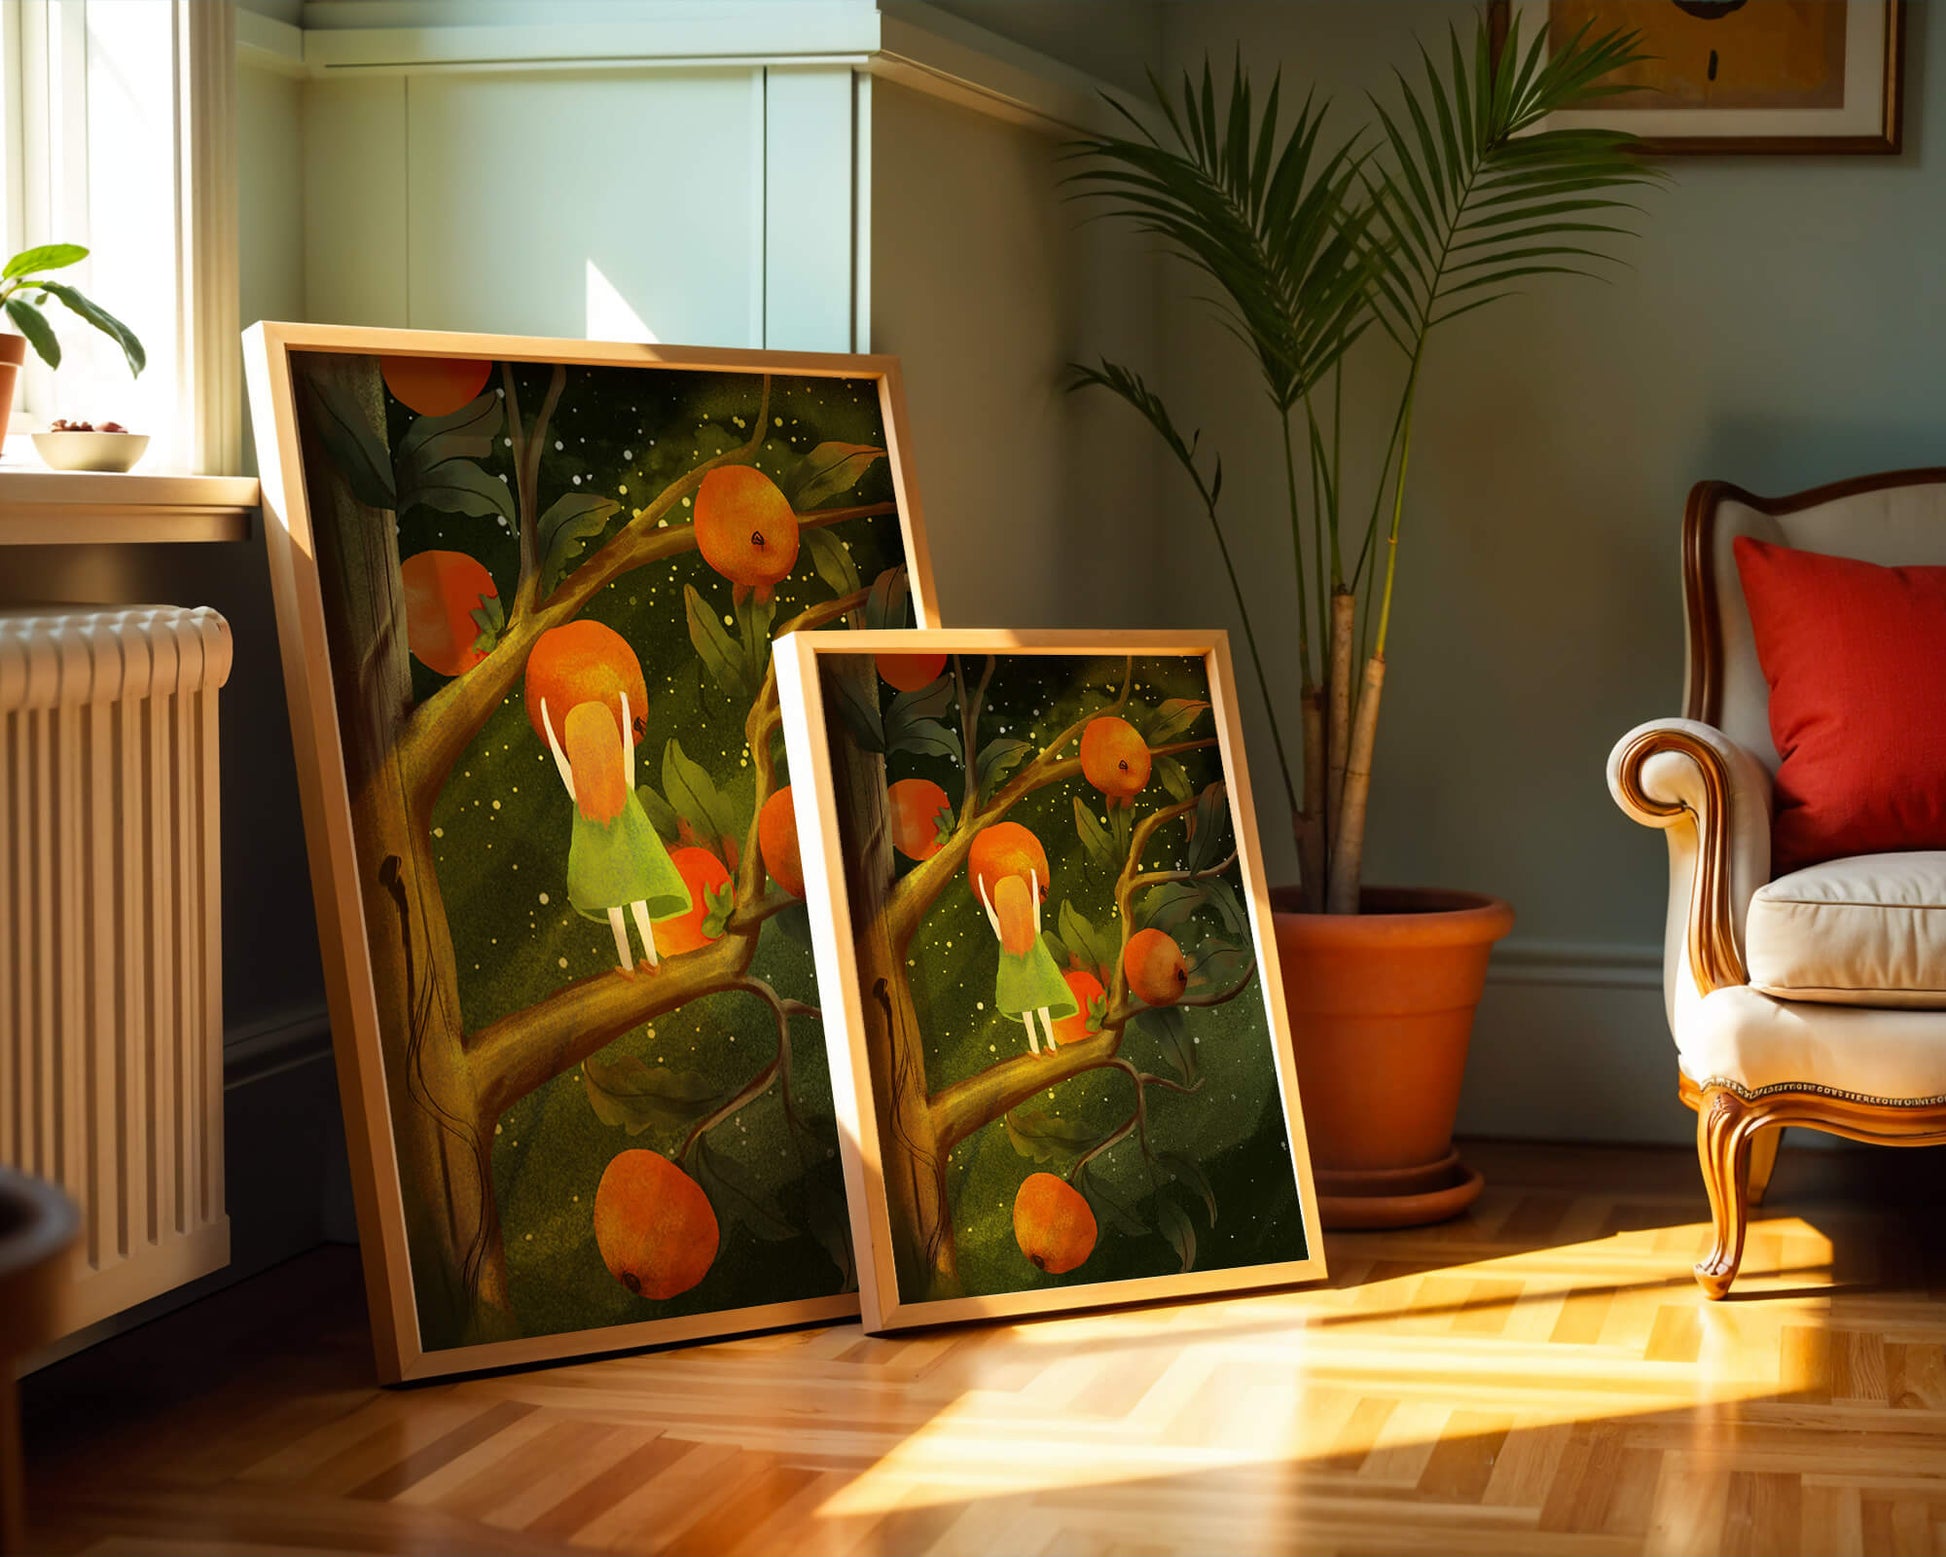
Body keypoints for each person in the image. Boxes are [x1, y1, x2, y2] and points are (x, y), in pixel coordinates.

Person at [540, 691, 691, 974]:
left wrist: (548, 720)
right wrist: (623, 707)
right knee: (636, 906)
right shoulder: (617, 784)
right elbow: (626, 750)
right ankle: (651, 962)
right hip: (627, 868)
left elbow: (561, 760)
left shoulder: (583, 793)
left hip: (610, 872)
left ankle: (632, 966)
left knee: (619, 911)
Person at [977, 868, 1078, 1055]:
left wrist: (984, 890)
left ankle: (1041, 1050)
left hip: (1025, 986)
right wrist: (1032, 879)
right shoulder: (1025, 930)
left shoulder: (1010, 934)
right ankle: (1049, 1048)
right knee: (1040, 1013)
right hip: (1032, 984)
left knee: (1032, 1016)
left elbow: (994, 915)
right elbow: (1033, 907)